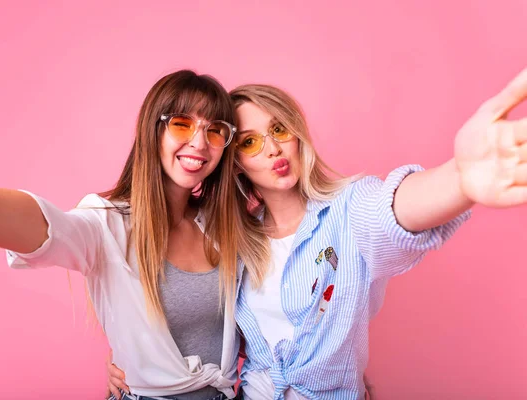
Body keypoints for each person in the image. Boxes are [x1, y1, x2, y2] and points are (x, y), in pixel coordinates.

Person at [107, 68, 527, 399]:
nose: (272, 149)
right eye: (250, 143)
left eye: (278, 131)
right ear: (234, 163)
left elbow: (393, 210)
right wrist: (131, 359)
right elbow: (192, 314)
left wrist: (458, 179)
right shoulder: (231, 241)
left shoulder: (348, 210)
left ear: (296, 134)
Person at [0, 70, 265, 400]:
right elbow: (49, 228)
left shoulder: (222, 227)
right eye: (182, 124)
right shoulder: (108, 223)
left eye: (216, 131)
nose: (200, 143)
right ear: (153, 130)